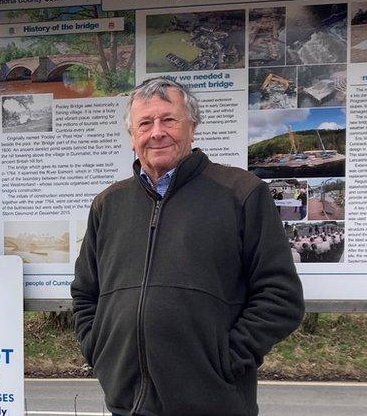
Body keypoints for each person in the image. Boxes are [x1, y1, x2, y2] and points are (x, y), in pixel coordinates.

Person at [71, 77, 304, 416]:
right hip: (127, 404)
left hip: (214, 404)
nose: (157, 132)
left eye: (169, 119)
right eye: (145, 123)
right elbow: (85, 294)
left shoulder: (241, 193)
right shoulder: (108, 204)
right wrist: (100, 352)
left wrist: (225, 360)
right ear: (133, 136)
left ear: (192, 126)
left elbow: (281, 297)